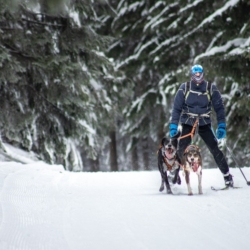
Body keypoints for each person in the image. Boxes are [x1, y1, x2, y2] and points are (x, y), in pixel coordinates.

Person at [169, 64, 233, 187]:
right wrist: (173, 125)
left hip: (204, 123)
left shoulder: (210, 88)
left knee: (215, 149)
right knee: (181, 149)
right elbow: (176, 108)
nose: (198, 77)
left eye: (200, 74)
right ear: (192, 75)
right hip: (188, 122)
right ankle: (173, 175)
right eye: (195, 74)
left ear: (203, 74)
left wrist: (221, 126)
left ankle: (227, 177)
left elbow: (219, 108)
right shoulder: (185, 88)